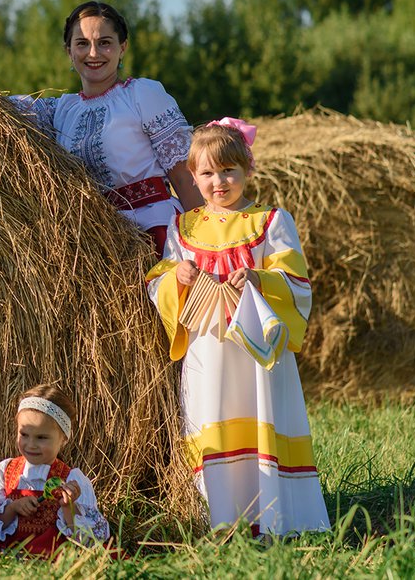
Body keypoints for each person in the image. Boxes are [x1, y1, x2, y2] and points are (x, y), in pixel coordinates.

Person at [144, 120, 330, 536]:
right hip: (206, 348)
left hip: (255, 351)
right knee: (211, 415)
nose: (219, 182)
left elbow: (297, 284)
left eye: (229, 171)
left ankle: (278, 519)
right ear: (192, 177)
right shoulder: (184, 227)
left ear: (249, 169)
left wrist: (259, 278)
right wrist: (180, 276)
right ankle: (219, 519)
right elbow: (159, 279)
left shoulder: (271, 221)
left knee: (259, 415)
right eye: (207, 174)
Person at [11, 1, 204, 252]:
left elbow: (183, 175)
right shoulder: (61, 110)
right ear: (68, 51)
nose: (93, 53)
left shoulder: (142, 94)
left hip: (157, 231)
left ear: (122, 48)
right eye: (82, 43)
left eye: (104, 42)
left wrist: (207, 242)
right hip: (97, 241)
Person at [0, 387, 111, 555]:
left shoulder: (72, 479)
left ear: (63, 439)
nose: (31, 444)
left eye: (41, 437)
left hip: (53, 553)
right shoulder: (5, 470)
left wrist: (68, 507)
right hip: (8, 551)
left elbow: (90, 540)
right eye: (24, 434)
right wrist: (12, 508)